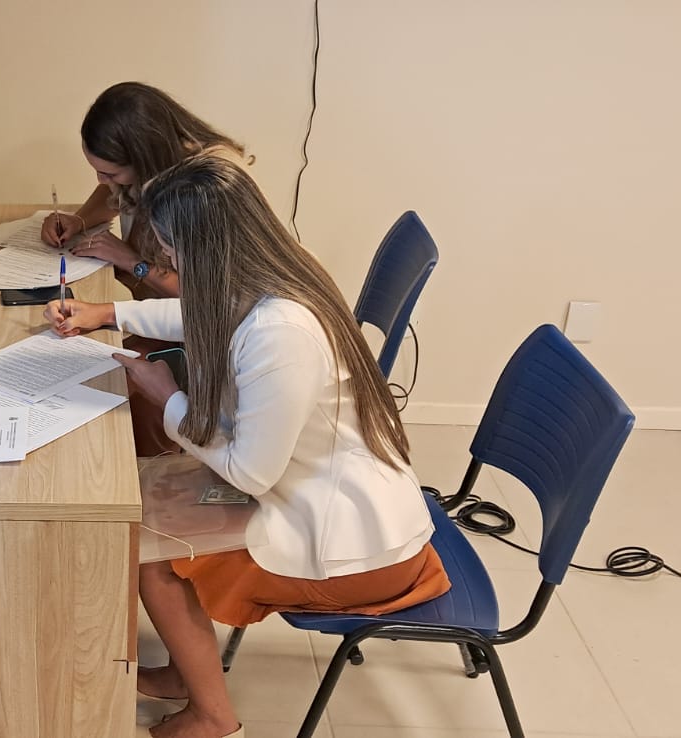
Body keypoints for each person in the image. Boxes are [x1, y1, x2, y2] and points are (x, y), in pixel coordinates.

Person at [45, 155, 449, 738]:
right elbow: (200, 316)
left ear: (206, 250)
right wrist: (107, 313)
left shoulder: (281, 332)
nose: (169, 264)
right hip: (318, 491)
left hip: (358, 544)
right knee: (146, 501)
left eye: (173, 252)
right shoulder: (274, 278)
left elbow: (251, 473)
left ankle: (213, 716)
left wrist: (168, 398)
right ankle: (187, 672)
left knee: (152, 556)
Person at [39, 82, 251, 455]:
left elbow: (204, 301)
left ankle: (134, 469)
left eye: (111, 174)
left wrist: (131, 262)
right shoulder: (154, 165)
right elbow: (112, 193)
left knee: (102, 392)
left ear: (145, 158)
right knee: (80, 370)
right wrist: (80, 220)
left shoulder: (205, 189)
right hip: (165, 315)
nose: (102, 182)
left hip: (204, 339)